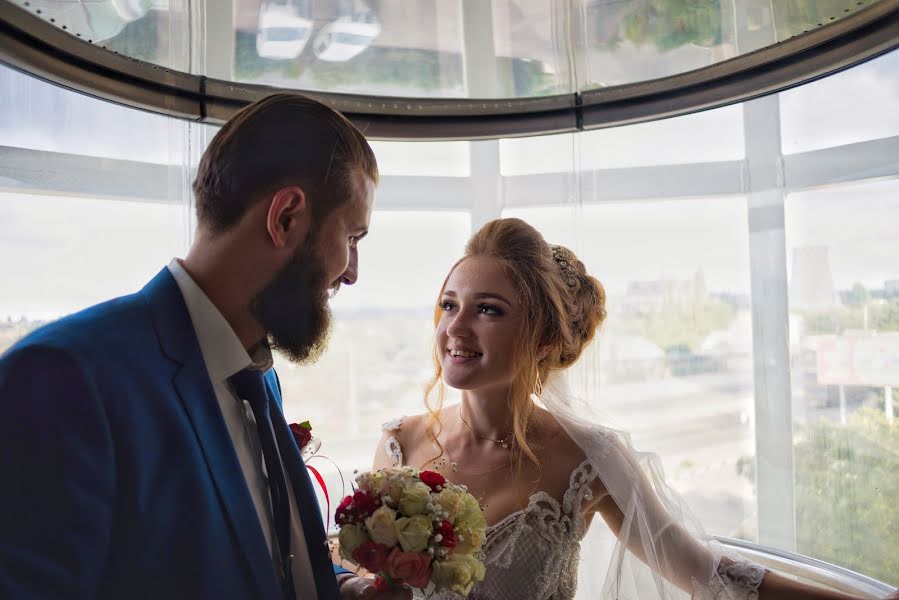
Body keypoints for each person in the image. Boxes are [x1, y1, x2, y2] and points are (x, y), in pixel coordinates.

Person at [0, 93, 407, 600]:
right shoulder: (65, 378)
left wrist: (339, 589)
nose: (351, 272)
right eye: (352, 236)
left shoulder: (259, 379)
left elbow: (257, 554)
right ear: (286, 217)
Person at [373, 217, 898, 600]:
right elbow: (351, 573)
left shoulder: (588, 461)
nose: (456, 328)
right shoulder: (401, 444)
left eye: (488, 309)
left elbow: (704, 571)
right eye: (449, 304)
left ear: (541, 335)